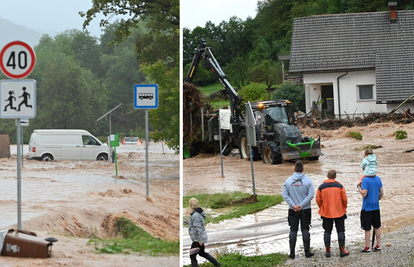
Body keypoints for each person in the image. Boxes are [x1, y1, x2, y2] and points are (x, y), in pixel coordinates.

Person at [282, 160, 314, 259]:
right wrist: (301, 205)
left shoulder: (288, 181)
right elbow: (311, 195)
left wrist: (293, 205)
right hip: (305, 209)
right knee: (305, 229)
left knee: (293, 230)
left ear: (294, 169)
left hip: (292, 210)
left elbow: (285, 195)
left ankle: (292, 253)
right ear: (303, 169)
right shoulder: (308, 181)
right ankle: (307, 252)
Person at [316, 169, 349, 258]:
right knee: (340, 231)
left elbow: (318, 200)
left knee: (327, 231)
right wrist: (344, 207)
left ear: (327, 176)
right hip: (339, 212)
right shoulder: (340, 186)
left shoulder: (321, 187)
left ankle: (327, 250)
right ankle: (342, 250)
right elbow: (345, 199)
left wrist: (322, 207)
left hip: (326, 212)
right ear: (335, 176)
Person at [187, 198, 221, 267]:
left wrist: (199, 240)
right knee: (202, 253)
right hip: (201, 238)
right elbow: (195, 224)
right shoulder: (198, 213)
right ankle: (217, 264)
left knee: (192, 256)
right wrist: (187, 222)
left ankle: (217, 264)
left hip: (198, 239)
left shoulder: (195, 215)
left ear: (190, 205)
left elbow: (198, 228)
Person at [357, 171, 384, 253]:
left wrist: (359, 188)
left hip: (367, 207)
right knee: (377, 226)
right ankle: (378, 245)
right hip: (376, 207)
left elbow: (364, 194)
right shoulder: (378, 179)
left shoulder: (365, 180)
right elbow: (382, 193)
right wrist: (377, 200)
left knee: (367, 228)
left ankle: (367, 247)